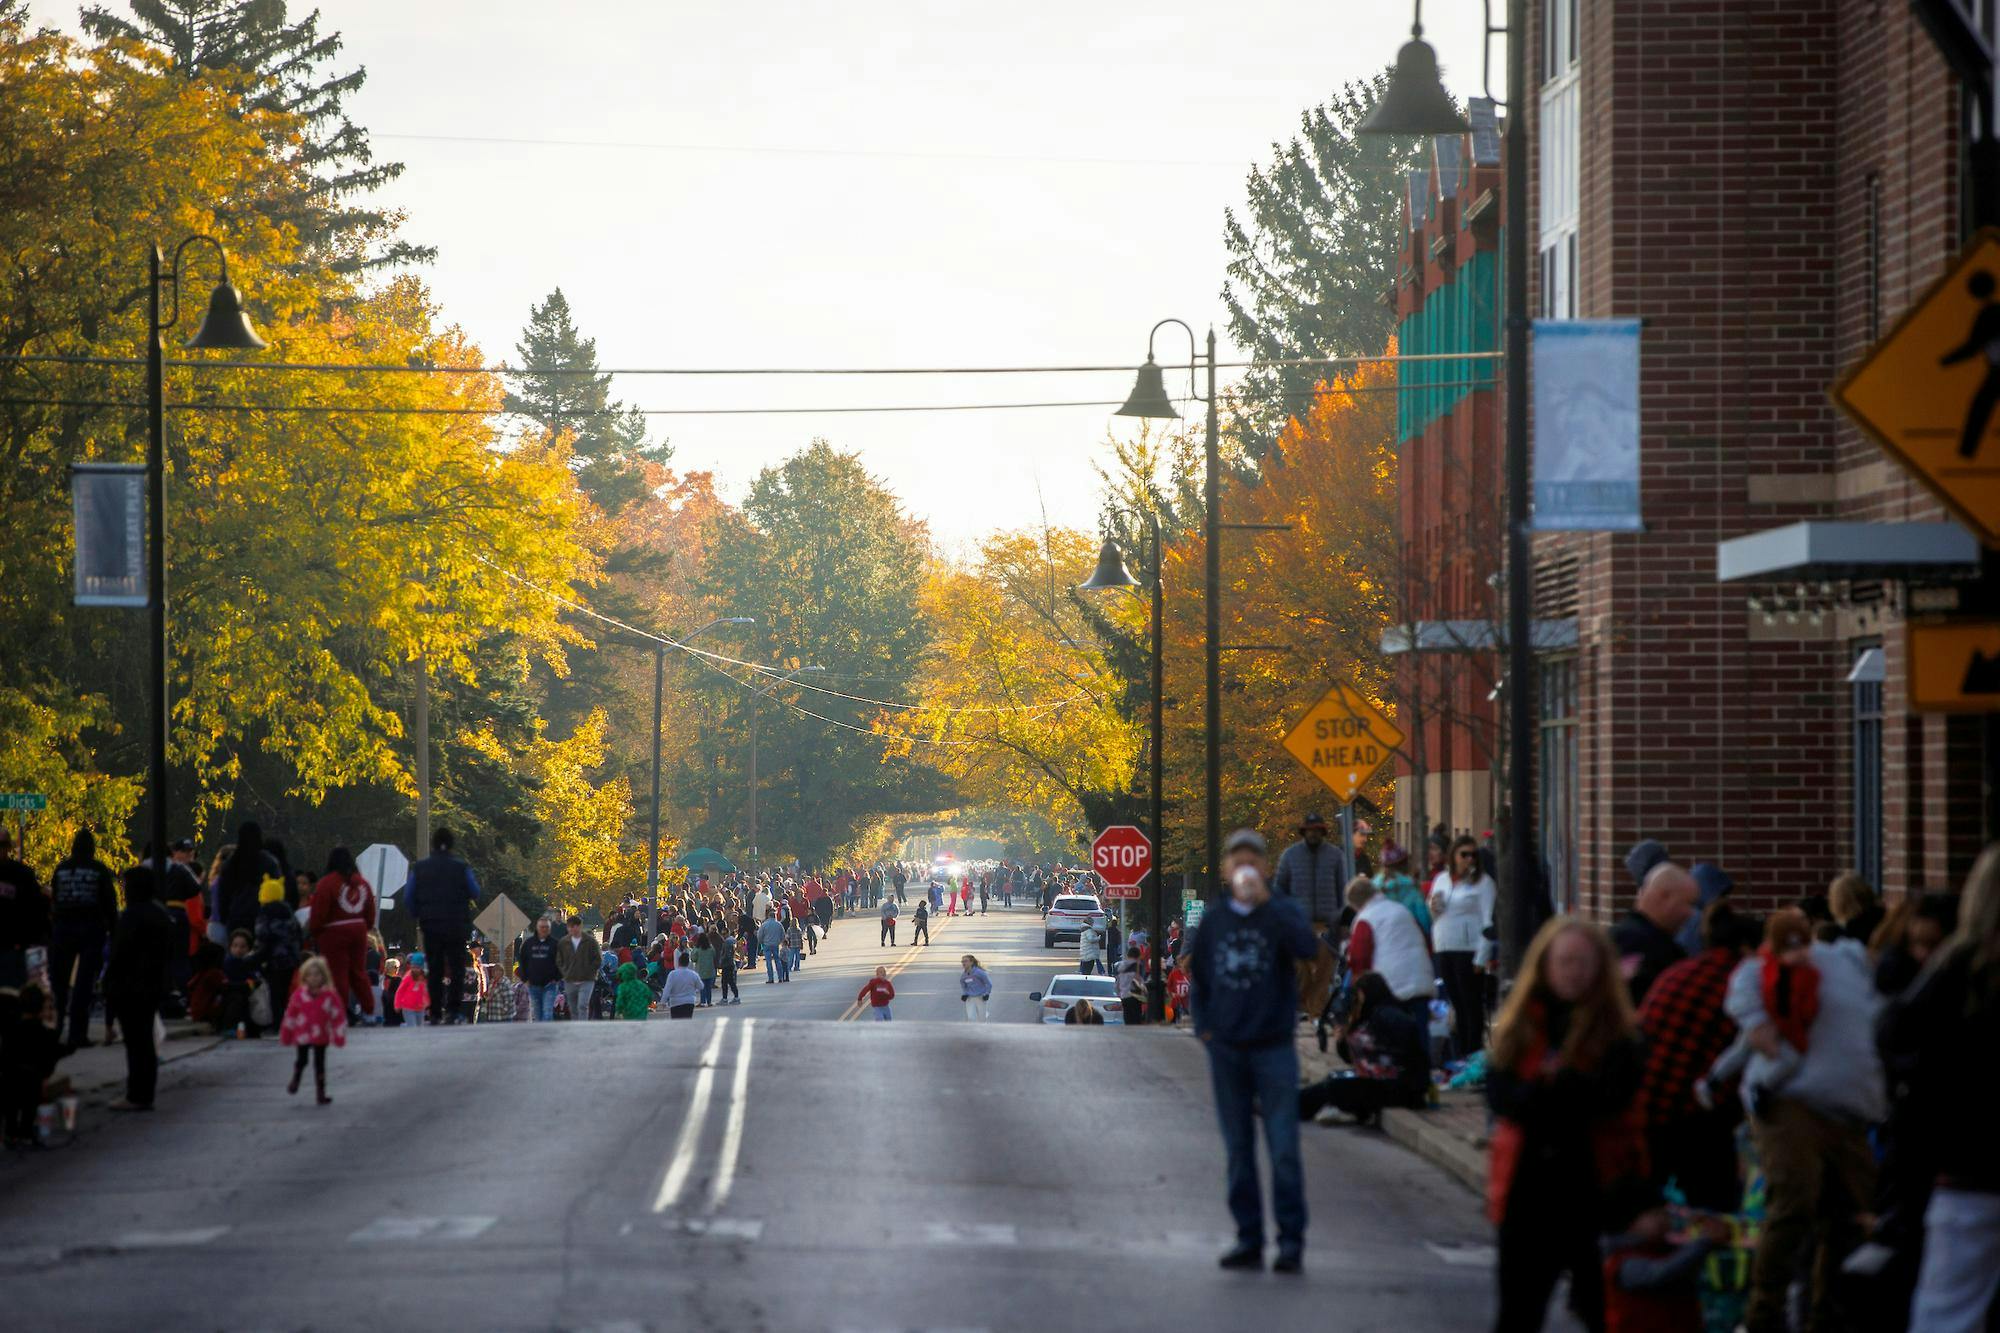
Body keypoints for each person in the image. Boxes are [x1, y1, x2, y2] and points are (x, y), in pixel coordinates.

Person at [1723, 891, 1884, 1333]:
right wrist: (1759, 1028)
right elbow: (1748, 1004)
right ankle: (1763, 1316)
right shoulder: (1762, 972)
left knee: (1850, 1214)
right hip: (1790, 1099)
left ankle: (1825, 1315)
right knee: (1795, 1200)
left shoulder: (1847, 964)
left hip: (1850, 1109)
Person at [1485, 917, 1645, 1333]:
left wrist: (1548, 1091)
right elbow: (1503, 1098)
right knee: (1518, 1313)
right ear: (1545, 965)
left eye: (1582, 962)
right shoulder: (1523, 1025)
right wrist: (1553, 1093)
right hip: (1526, 1189)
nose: (1572, 971)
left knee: (1602, 1312)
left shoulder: (1616, 1035)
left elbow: (1609, 1101)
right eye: (1564, 960)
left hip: (1591, 1189)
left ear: (1600, 968)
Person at [1185, 827, 1322, 1275]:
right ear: (1225, 870)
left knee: (1283, 1146)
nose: (1245, 868)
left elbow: (1307, 950)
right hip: (1227, 1049)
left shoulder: (1282, 912)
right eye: (1237, 860)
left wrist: (1271, 904)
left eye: (1253, 860)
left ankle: (1290, 1242)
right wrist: (1205, 1030)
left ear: (1264, 867)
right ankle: (1248, 1237)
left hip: (1273, 1047)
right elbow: (1199, 977)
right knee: (1238, 1149)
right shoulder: (1215, 919)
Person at [1879, 846, 2000, 1333]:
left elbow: (1899, 1045)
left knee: (1948, 1314)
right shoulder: (1953, 975)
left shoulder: (1952, 977)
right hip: (1965, 1178)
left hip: (1964, 1178)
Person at [1632, 902, 1753, 1212]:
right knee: (1715, 1202)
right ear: (1746, 949)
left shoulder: (1680, 971)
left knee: (1644, 1204)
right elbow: (1741, 1061)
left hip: (1640, 1103)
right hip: (1687, 1113)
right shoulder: (1738, 983)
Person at [1298, 972, 1429, 1125]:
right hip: (1389, 1083)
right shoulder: (1374, 1014)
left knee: (1334, 1087)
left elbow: (1394, 1050)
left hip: (1398, 1087)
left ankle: (1290, 1106)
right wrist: (1343, 1040)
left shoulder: (1388, 1014)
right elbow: (1352, 1056)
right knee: (1334, 1080)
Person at [102, 865, 177, 1113]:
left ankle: (136, 1093)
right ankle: (146, 1092)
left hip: (129, 986)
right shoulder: (160, 914)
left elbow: (119, 954)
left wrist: (109, 985)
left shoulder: (131, 916)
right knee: (145, 1041)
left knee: (135, 1045)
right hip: (152, 985)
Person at [48, 827, 118, 1050]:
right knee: (84, 984)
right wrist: (114, 932)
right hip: (91, 929)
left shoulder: (61, 869)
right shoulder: (99, 870)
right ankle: (78, 1034)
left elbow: (54, 900)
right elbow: (110, 903)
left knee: (59, 984)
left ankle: (55, 1030)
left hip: (62, 929)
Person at [1430, 834, 1497, 1059]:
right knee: (1456, 1004)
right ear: (1453, 857)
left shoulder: (1483, 883)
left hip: (1468, 949)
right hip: (1444, 946)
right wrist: (1433, 907)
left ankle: (1473, 1053)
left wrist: (1481, 957)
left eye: (1473, 855)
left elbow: (1489, 922)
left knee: (1471, 1004)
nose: (1469, 859)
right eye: (1464, 854)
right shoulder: (1442, 879)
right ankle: (1459, 1054)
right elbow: (1433, 911)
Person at [405, 828, 480, 1026]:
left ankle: (436, 1011)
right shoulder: (461, 867)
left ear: (433, 844)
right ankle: (453, 1011)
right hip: (456, 924)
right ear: (452, 844)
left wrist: (418, 914)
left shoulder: (420, 868)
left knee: (435, 968)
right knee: (456, 968)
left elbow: (409, 896)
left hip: (431, 925)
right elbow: (475, 891)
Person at [1610, 861, 1698, 1008]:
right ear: (1664, 896)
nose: (1690, 914)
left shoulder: (1614, 936)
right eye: (1687, 903)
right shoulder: (1651, 947)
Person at [1343, 876, 1434, 1017]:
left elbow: (1359, 959)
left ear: (1355, 905)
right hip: (1421, 981)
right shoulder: (1401, 910)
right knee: (1420, 1032)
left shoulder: (1365, 918)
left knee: (1393, 1034)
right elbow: (1425, 941)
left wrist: (1357, 989)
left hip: (1390, 988)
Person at [307, 847, 377, 1023]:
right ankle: (369, 1011)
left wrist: (315, 932)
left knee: (337, 973)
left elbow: (318, 913)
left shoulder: (327, 883)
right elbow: (370, 911)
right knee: (359, 972)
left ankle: (340, 1012)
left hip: (333, 933)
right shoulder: (363, 884)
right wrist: (364, 928)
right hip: (359, 931)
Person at [279, 955, 346, 1105]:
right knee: (302, 1060)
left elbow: (337, 1016)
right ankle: (296, 1079)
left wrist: (338, 1035)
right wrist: (286, 1034)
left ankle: (321, 1092)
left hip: (320, 1034)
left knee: (319, 1063)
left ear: (324, 976)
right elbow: (290, 1015)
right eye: (310, 975)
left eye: (317, 974)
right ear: (304, 977)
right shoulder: (299, 995)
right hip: (302, 1033)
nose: (314, 978)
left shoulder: (329, 995)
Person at [0, 828, 50, 1021]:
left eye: (3, 845)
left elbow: (36, 910)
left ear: (9, 848)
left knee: (13, 998)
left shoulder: (21, 874)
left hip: (15, 948)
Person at [1272, 812, 1348, 929]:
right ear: (1304, 832)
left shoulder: (1336, 855)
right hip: (1298, 924)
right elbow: (1280, 890)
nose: (1313, 833)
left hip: (1330, 925)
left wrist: (1341, 919)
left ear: (1323, 832)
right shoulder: (1290, 855)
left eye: (1317, 830)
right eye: (1310, 830)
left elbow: (1342, 889)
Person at [253, 875, 303, 1020]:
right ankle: (287, 1020)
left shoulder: (265, 913)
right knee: (285, 991)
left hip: (273, 959)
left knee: (274, 992)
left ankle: (277, 1023)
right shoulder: (288, 911)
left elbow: (262, 934)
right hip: (290, 959)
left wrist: (257, 955)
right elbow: (298, 933)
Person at [1373, 842, 1431, 939]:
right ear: (1405, 864)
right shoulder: (1411, 888)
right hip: (1408, 942)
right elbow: (1425, 922)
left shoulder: (1373, 888)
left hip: (1381, 943)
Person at [556, 915, 601, 1019]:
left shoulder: (590, 941)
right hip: (570, 979)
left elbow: (597, 959)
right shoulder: (564, 942)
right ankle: (576, 1027)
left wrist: (591, 972)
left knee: (582, 1005)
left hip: (587, 979)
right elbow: (559, 960)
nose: (573, 929)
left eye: (575, 926)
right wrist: (565, 972)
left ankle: (582, 1027)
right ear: (567, 928)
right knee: (573, 1007)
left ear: (580, 926)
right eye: (571, 926)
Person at [517, 916, 562, 1021]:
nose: (544, 929)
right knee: (537, 1014)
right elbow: (522, 961)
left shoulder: (555, 944)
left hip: (550, 985)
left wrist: (557, 978)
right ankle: (539, 1036)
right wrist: (525, 979)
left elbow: (562, 962)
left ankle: (547, 1035)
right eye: (542, 927)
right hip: (533, 985)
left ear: (549, 929)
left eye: (546, 927)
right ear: (537, 928)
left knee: (547, 1012)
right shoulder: (528, 944)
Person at [394, 953, 431, 1028]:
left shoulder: (424, 978)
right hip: (408, 1007)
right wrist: (397, 1004)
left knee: (420, 1027)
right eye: (413, 967)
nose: (415, 969)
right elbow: (400, 991)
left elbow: (426, 992)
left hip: (420, 1007)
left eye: (418, 967)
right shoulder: (408, 977)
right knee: (412, 1027)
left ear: (422, 968)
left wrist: (428, 1005)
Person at [1114, 945, 1146, 1024]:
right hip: (1135, 996)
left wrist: (1120, 995)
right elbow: (1141, 982)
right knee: (1136, 1020)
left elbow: (1116, 985)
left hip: (1124, 996)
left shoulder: (1119, 967)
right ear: (1138, 956)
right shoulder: (1138, 966)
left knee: (1127, 1019)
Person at [960, 954, 992, 1021]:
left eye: (965, 961)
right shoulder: (963, 975)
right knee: (970, 1017)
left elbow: (988, 984)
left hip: (980, 997)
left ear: (971, 962)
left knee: (982, 1018)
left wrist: (987, 993)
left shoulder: (979, 972)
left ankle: (983, 1028)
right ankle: (972, 1031)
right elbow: (963, 986)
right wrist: (964, 994)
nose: (963, 963)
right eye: (962, 962)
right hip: (970, 998)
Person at [758, 911, 786, 983]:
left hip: (767, 944)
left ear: (768, 916)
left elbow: (760, 935)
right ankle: (780, 977)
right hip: (775, 944)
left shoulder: (764, 924)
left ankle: (771, 978)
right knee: (777, 960)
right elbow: (783, 934)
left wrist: (761, 942)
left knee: (768, 961)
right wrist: (780, 941)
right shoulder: (779, 924)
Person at [693, 933, 717, 1008]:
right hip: (710, 969)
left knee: (702, 987)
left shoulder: (697, 949)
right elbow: (714, 955)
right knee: (708, 987)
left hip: (701, 970)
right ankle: (709, 1001)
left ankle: (702, 1001)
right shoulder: (710, 947)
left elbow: (693, 958)